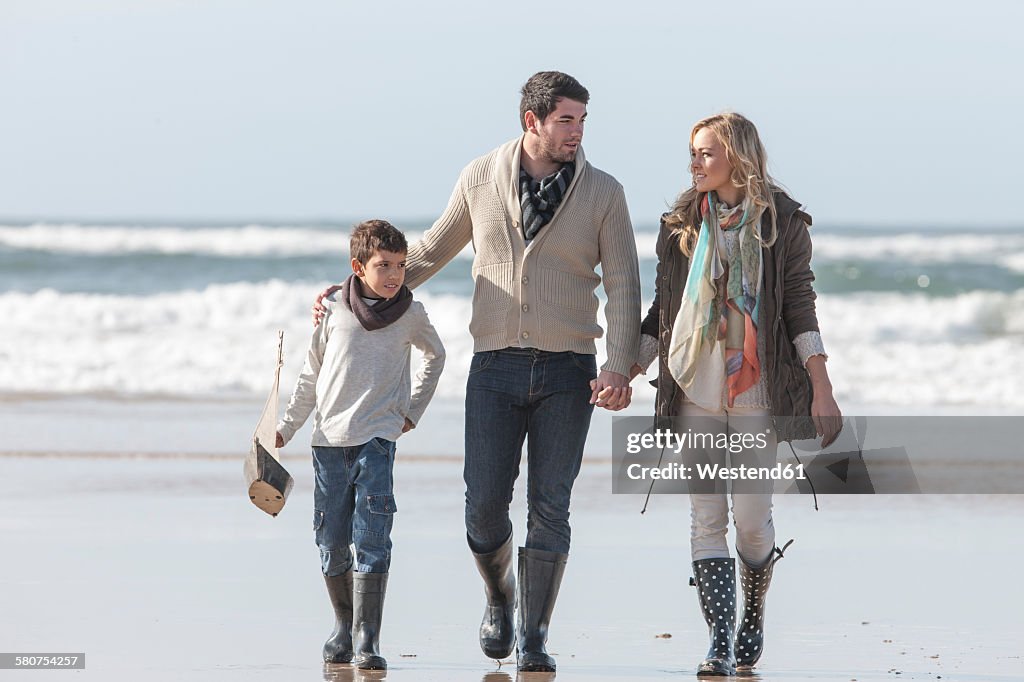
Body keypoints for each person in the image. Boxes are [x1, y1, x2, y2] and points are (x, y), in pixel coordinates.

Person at [313, 71, 641, 672]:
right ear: (532, 121)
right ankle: (499, 595)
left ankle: (536, 635)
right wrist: (358, 289)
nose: (577, 131)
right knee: (484, 508)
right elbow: (432, 251)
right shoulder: (481, 176)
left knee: (551, 503)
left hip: (570, 368)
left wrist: (619, 366)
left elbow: (623, 283)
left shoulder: (604, 193)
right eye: (566, 119)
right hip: (495, 366)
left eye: (582, 120)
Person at [633, 112, 841, 677]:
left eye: (706, 153)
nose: (694, 163)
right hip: (694, 384)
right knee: (706, 515)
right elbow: (665, 309)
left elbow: (799, 306)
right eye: (692, 153)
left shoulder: (784, 224)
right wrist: (626, 369)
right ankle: (719, 642)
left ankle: (753, 607)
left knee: (751, 519)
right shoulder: (679, 223)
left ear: (738, 156)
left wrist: (821, 386)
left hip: (757, 386)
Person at [278, 219, 445, 671]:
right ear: (358, 266)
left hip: (378, 438)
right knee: (331, 540)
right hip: (328, 441)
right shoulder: (333, 308)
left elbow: (436, 355)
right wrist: (286, 427)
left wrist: (411, 411)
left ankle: (368, 637)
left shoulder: (411, 312)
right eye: (383, 265)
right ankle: (343, 626)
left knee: (372, 537)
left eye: (401, 265)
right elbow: (311, 373)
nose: (394, 275)